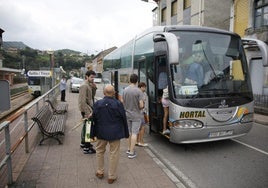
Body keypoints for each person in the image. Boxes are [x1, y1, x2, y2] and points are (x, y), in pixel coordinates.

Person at [92, 85, 129, 184]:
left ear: (104, 93)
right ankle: (111, 176)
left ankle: (100, 172)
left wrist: (92, 133)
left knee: (99, 151)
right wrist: (126, 133)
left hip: (101, 132)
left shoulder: (97, 104)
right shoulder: (118, 104)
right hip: (115, 133)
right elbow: (123, 119)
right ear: (114, 93)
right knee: (114, 154)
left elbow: (94, 119)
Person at [122, 74, 144, 159]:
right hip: (136, 115)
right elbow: (141, 105)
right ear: (137, 81)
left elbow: (122, 101)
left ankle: (128, 148)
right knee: (135, 133)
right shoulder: (139, 91)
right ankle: (131, 152)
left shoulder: (125, 90)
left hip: (127, 114)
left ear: (130, 80)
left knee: (129, 132)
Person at [78, 70, 97, 154]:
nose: (93, 79)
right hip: (86, 110)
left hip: (89, 108)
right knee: (88, 128)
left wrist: (94, 87)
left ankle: (83, 143)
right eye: (91, 77)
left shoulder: (89, 85)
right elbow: (82, 101)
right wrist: (87, 112)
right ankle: (87, 147)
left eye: (94, 77)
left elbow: (92, 96)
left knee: (86, 126)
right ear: (86, 76)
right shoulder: (84, 86)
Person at [136, 82, 148, 147]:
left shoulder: (142, 93)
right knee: (142, 127)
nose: (145, 88)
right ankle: (141, 141)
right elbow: (142, 105)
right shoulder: (140, 94)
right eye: (144, 87)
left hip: (138, 113)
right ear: (140, 87)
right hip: (140, 113)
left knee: (138, 127)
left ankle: (137, 141)